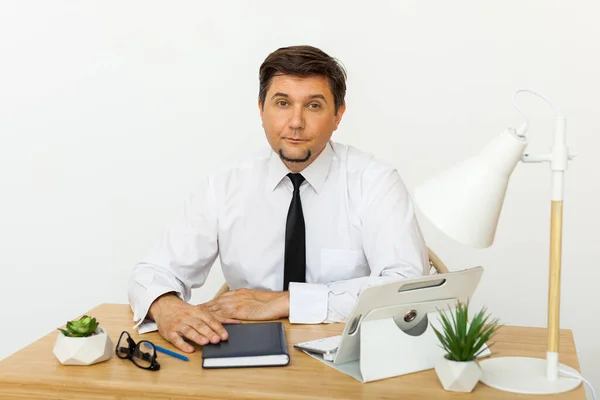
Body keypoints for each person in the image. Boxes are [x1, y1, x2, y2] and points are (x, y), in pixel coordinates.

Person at [128, 45, 429, 353]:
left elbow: (407, 286)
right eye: (282, 103)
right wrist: (166, 307)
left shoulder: (376, 182)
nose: (296, 122)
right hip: (244, 353)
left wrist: (286, 302)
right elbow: (154, 270)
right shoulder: (224, 185)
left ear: (338, 115)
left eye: (313, 106)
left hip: (351, 353)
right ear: (261, 110)